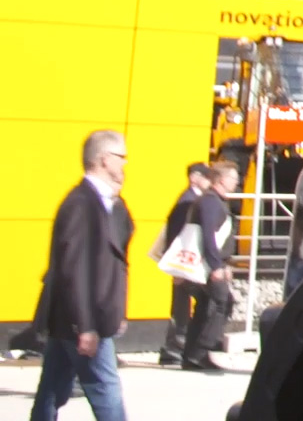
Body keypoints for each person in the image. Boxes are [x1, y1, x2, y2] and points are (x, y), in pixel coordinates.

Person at [31, 129, 133, 421]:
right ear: (104, 159)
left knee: (52, 390)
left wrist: (116, 203)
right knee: (106, 390)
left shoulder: (107, 203)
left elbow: (115, 255)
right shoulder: (80, 203)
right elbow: (75, 269)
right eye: (121, 157)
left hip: (80, 318)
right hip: (84, 319)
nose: (125, 164)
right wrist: (85, 325)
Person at [181, 160, 239, 373]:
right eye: (234, 178)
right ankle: (200, 351)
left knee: (205, 307)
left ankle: (193, 356)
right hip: (207, 265)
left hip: (211, 263)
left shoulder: (215, 201)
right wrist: (216, 266)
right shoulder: (210, 202)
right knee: (223, 302)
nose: (237, 182)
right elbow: (208, 236)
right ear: (222, 179)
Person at [155, 162, 213, 366]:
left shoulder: (192, 199)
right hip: (183, 264)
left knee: (183, 305)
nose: (209, 180)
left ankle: (175, 348)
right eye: (206, 176)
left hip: (184, 263)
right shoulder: (188, 201)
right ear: (194, 177)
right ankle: (173, 349)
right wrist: (177, 267)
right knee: (181, 306)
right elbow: (176, 233)